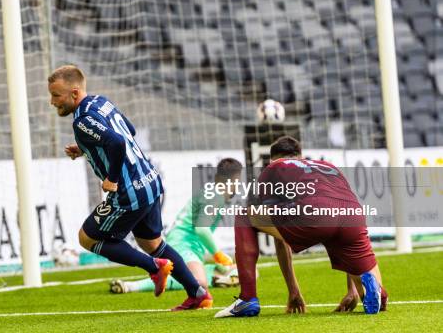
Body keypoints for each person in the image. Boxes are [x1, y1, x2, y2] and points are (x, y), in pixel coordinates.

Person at [48, 65, 212, 311]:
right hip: (150, 180)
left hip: (129, 191)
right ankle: (198, 293)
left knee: (88, 237)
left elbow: (116, 142)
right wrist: (86, 147)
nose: (52, 101)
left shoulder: (82, 119)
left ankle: (154, 267)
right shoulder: (100, 102)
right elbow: (128, 131)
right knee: (153, 243)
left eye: (56, 95)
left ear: (73, 93)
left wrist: (112, 178)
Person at [216, 136, 388, 318]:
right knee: (373, 291)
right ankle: (377, 293)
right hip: (352, 215)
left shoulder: (274, 167)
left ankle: (247, 299)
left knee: (245, 217)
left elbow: (279, 236)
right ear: (301, 155)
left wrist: (293, 290)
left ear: (272, 159)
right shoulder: (327, 166)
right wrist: (352, 291)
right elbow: (340, 207)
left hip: (314, 213)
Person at [110, 158, 243, 294]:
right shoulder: (217, 196)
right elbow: (202, 230)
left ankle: (212, 277)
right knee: (200, 284)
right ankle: (133, 286)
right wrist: (218, 254)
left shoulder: (212, 192)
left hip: (187, 244)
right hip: (183, 245)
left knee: (246, 272)